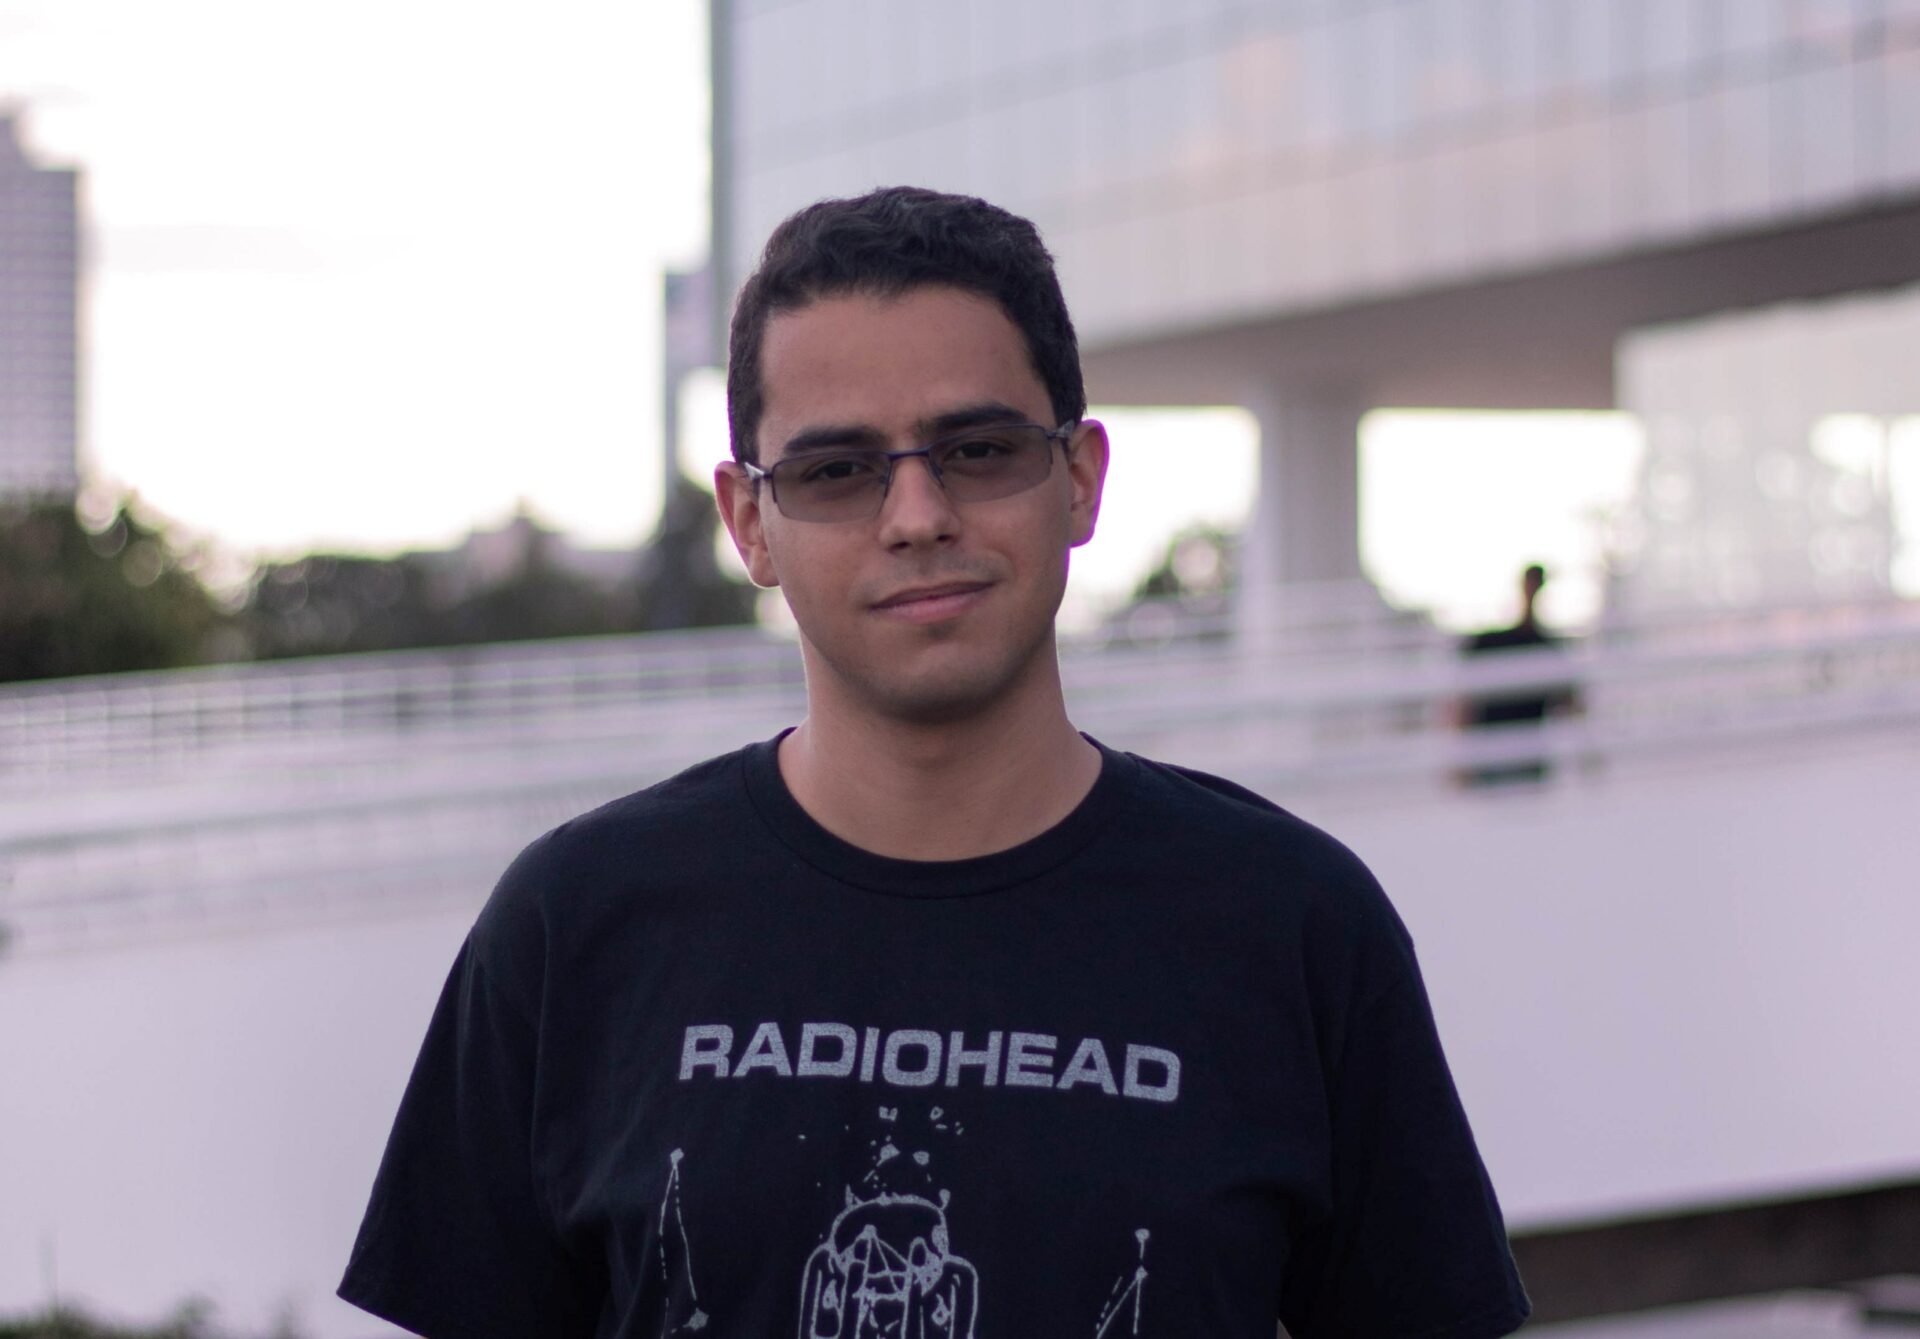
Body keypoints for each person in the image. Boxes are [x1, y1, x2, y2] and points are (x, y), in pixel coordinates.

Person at [338, 187, 1531, 1339]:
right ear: (749, 521)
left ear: (1080, 479)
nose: (916, 515)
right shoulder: (577, 925)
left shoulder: (1293, 922)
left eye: (978, 449)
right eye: (835, 470)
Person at [1457, 564, 1580, 786]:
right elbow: (1463, 701)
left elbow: (1570, 703)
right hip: (1491, 752)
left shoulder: (1550, 648)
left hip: (1529, 756)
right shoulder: (1489, 642)